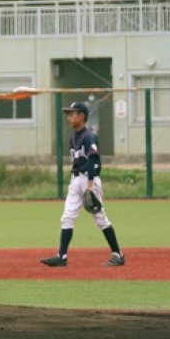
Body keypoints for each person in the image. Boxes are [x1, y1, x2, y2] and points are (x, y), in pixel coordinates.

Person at [41, 101, 125, 267]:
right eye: (68, 114)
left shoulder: (89, 137)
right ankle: (62, 256)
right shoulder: (73, 138)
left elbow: (94, 160)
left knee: (100, 218)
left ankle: (118, 254)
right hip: (76, 180)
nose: (69, 117)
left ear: (82, 116)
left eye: (72, 114)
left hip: (89, 180)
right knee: (67, 217)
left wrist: (91, 185)